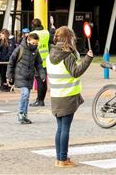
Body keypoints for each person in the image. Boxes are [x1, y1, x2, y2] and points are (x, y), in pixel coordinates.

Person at [47, 26, 93, 168]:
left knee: (60, 128)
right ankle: (63, 159)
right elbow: (75, 72)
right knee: (65, 128)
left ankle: (59, 158)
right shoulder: (67, 55)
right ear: (69, 38)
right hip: (67, 96)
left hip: (56, 96)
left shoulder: (50, 55)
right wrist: (88, 59)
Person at [6, 33, 46, 124]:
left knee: (27, 96)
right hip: (20, 75)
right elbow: (11, 61)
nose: (34, 45)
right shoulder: (20, 49)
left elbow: (39, 64)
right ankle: (20, 113)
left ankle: (25, 114)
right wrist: (9, 75)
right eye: (33, 43)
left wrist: (42, 75)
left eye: (36, 43)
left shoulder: (36, 51)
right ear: (28, 40)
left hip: (29, 76)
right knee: (25, 93)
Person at [29, 19, 50, 107]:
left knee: (39, 81)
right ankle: (41, 99)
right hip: (46, 59)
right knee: (43, 81)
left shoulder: (32, 34)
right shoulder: (46, 32)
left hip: (37, 60)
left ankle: (39, 100)